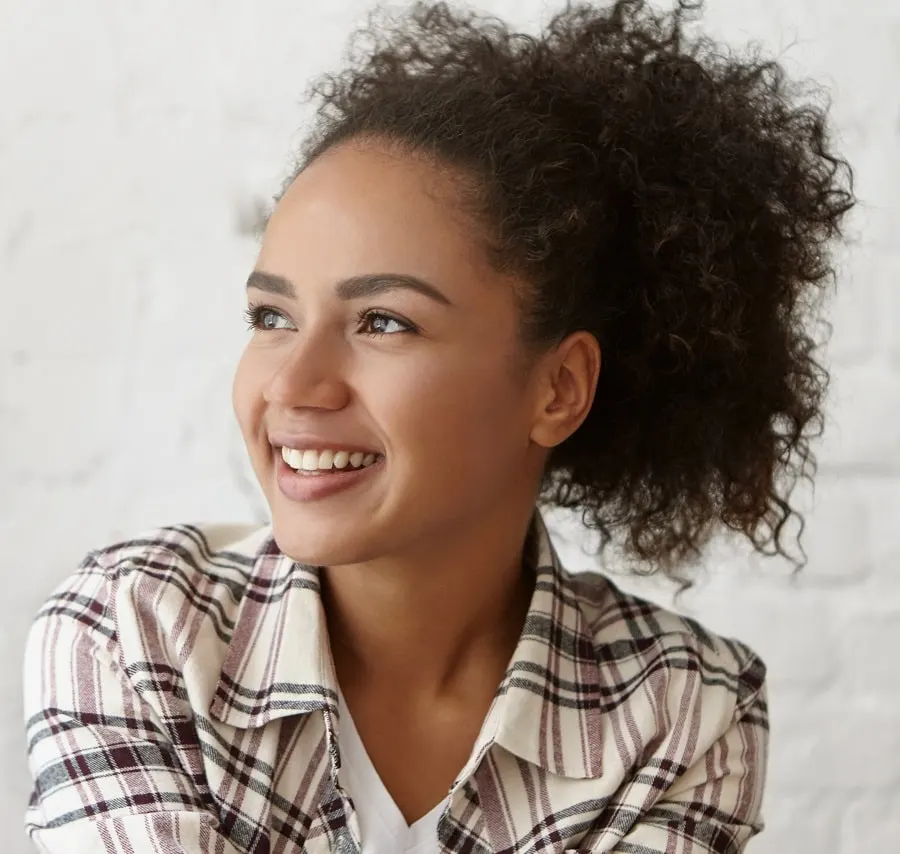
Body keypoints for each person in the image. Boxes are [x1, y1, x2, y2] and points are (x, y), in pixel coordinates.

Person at [22, 1, 855, 852]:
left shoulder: (684, 713)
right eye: (271, 316)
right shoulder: (133, 632)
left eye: (384, 321)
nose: (294, 385)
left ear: (558, 387)